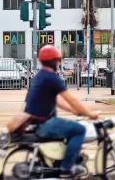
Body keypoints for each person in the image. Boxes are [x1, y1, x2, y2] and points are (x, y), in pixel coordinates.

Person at [25, 45, 100, 179]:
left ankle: (60, 161)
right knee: (79, 130)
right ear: (53, 61)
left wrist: (75, 111)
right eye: (58, 60)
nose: (59, 63)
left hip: (35, 121)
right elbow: (71, 99)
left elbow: (57, 101)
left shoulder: (40, 76)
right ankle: (66, 168)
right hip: (46, 123)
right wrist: (90, 114)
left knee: (69, 128)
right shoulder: (51, 78)